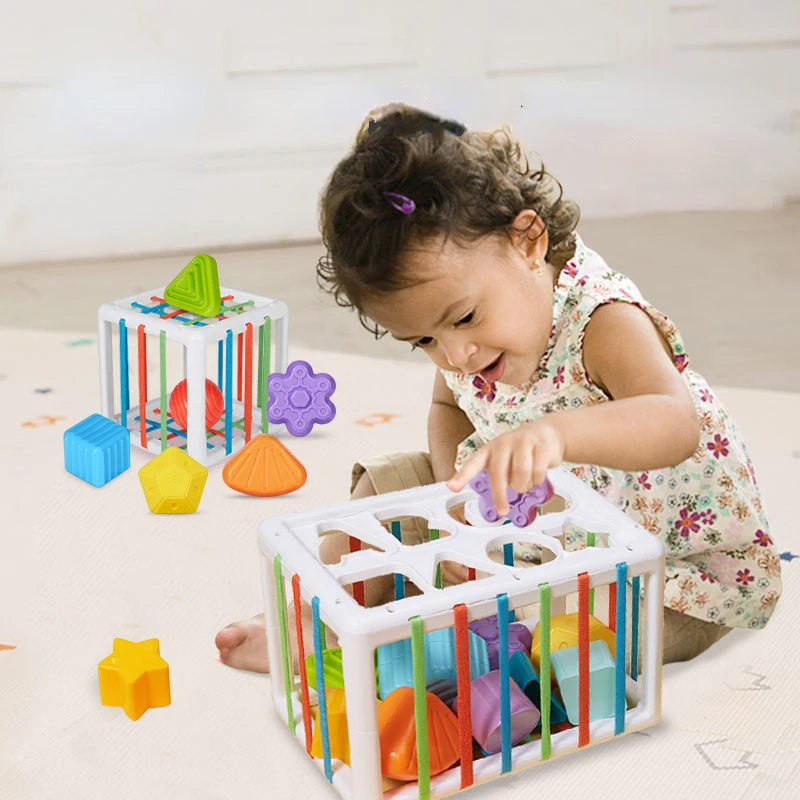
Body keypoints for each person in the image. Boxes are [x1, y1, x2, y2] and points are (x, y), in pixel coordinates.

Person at [215, 102, 782, 673]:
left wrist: (556, 434)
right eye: (423, 342)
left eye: (463, 320)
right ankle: (320, 619)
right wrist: (453, 509)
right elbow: (448, 406)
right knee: (382, 489)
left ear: (528, 242)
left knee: (593, 630)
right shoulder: (465, 344)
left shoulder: (603, 321)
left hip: (659, 559)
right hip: (525, 532)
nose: (455, 355)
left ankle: (460, 652)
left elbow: (674, 422)